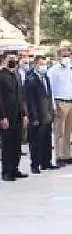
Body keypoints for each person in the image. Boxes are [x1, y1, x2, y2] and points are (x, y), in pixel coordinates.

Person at [25, 55, 58, 173]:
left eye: (44, 64)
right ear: (35, 65)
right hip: (37, 115)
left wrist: (52, 110)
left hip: (47, 114)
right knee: (36, 142)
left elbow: (49, 95)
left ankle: (46, 162)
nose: (43, 66)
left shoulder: (46, 77)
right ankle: (35, 164)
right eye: (41, 64)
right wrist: (33, 117)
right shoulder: (31, 79)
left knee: (47, 140)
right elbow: (30, 100)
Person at [47, 47, 72, 166]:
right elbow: (50, 89)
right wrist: (53, 106)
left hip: (70, 101)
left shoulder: (69, 69)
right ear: (59, 56)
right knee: (59, 132)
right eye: (64, 55)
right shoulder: (53, 70)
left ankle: (67, 155)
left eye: (68, 55)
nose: (67, 58)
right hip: (59, 101)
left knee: (68, 131)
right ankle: (59, 156)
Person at [0, 52, 29, 181]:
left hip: (18, 114)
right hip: (7, 115)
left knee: (17, 144)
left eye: (14, 58)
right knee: (7, 144)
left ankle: (15, 168)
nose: (13, 61)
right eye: (10, 58)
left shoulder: (17, 74)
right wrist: (2, 117)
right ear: (4, 59)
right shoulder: (1, 75)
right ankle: (6, 171)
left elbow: (21, 95)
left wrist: (24, 114)